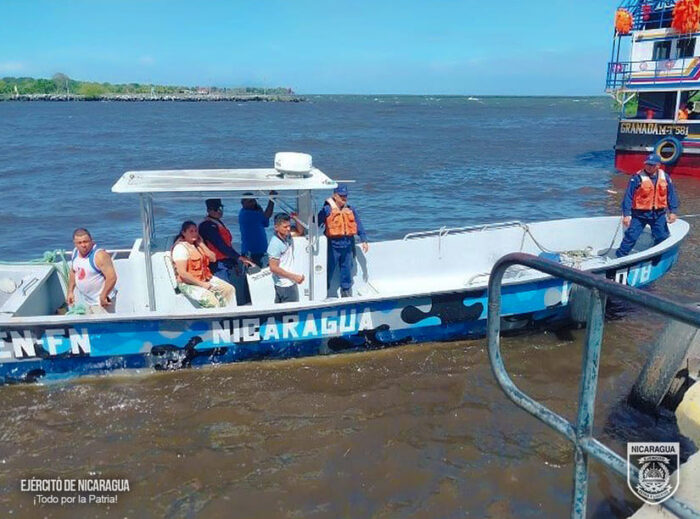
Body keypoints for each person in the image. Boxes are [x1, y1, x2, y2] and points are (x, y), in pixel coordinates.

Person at [616, 154, 680, 258]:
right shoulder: (637, 178)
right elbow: (628, 196)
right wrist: (626, 214)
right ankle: (620, 257)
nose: (649, 167)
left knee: (662, 236)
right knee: (631, 236)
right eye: (647, 164)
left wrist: (673, 212)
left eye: (652, 165)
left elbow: (671, 195)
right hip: (639, 215)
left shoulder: (665, 177)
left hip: (658, 214)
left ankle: (656, 256)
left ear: (658, 165)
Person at [317, 185, 368, 297]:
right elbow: (316, 222)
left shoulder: (350, 209)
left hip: (348, 244)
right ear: (335, 196)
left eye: (345, 196)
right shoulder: (327, 209)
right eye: (341, 196)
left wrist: (364, 240)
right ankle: (322, 291)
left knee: (347, 269)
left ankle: (346, 292)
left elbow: (358, 225)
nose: (344, 198)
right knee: (328, 269)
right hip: (333, 245)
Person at [172, 221, 236, 308]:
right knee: (211, 300)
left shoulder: (197, 245)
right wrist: (202, 284)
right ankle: (214, 315)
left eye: (196, 231)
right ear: (183, 233)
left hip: (204, 278)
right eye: (191, 231)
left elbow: (213, 258)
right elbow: (183, 273)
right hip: (188, 283)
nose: (194, 233)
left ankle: (229, 313)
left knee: (229, 289)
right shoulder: (180, 248)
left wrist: (201, 244)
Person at [199, 198, 255, 278]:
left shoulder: (218, 222)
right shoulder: (207, 225)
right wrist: (240, 258)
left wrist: (235, 262)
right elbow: (220, 245)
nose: (219, 211)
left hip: (225, 261)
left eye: (220, 208)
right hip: (216, 264)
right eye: (216, 209)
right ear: (208, 210)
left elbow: (228, 245)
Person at [66, 228, 118, 314]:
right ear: (75, 244)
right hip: (88, 301)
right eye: (79, 243)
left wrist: (103, 295)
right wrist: (70, 291)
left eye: (85, 242)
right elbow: (73, 271)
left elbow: (112, 277)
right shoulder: (75, 253)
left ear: (91, 241)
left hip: (102, 302)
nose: (83, 245)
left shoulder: (99, 256)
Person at [267, 213, 305, 303]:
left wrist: (296, 219)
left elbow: (300, 232)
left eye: (289, 226)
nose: (288, 229)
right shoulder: (275, 244)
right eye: (285, 227)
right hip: (285, 285)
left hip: (287, 283)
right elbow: (273, 268)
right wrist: (294, 277)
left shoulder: (287, 236)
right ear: (276, 227)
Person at [239, 191, 276, 266]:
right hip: (251, 252)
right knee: (253, 272)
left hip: (260, 250)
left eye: (254, 200)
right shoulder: (246, 214)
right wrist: (271, 199)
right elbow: (267, 215)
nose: (253, 203)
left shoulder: (255, 212)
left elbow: (265, 224)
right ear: (243, 203)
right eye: (250, 201)